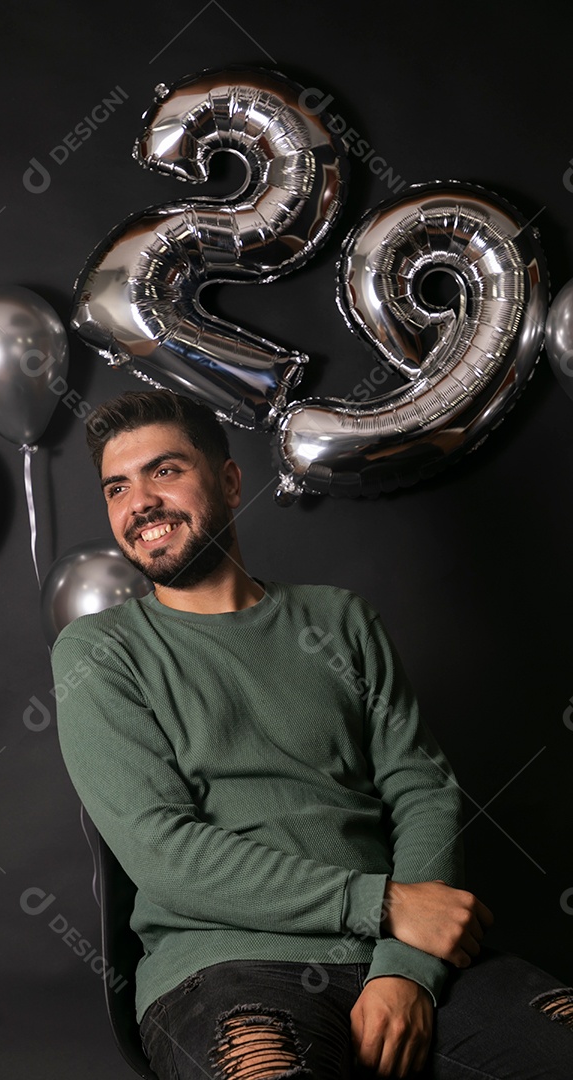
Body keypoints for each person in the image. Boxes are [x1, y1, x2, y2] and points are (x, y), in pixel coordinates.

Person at [52, 389, 572, 1079]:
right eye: (118, 486)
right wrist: (382, 904)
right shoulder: (100, 651)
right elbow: (163, 854)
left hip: (397, 951)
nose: (139, 502)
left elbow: (424, 794)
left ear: (231, 482)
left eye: (165, 471)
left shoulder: (341, 621)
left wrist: (407, 973)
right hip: (224, 967)